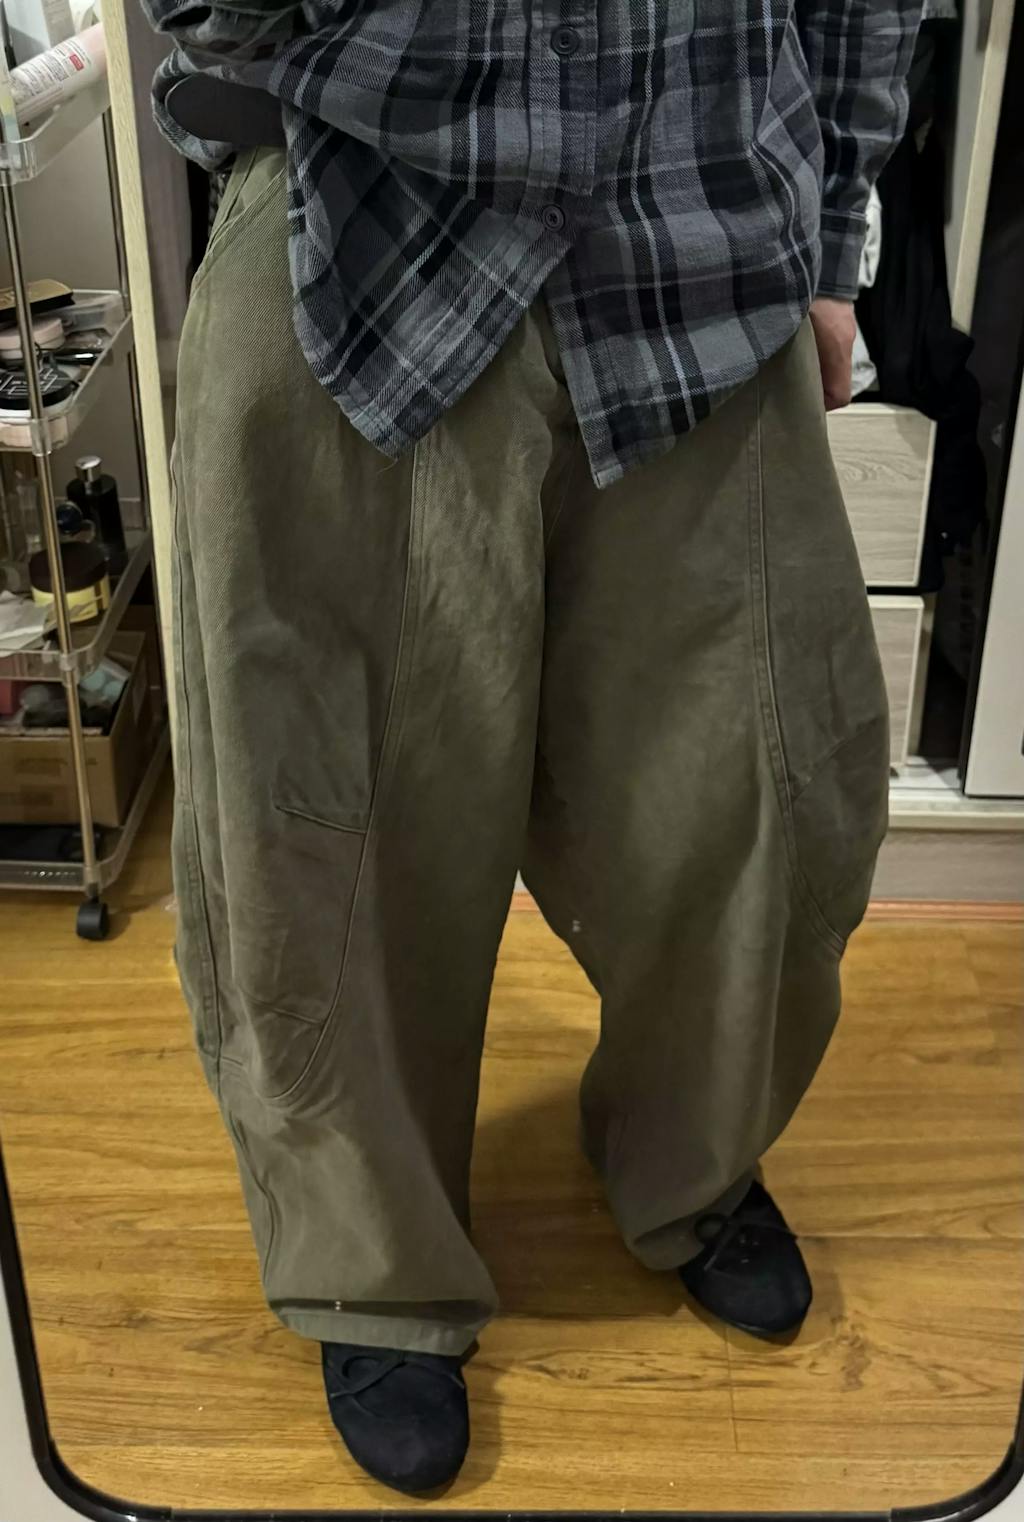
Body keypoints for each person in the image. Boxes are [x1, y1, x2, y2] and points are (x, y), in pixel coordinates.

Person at [144, 0, 921, 1496]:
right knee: (329, 825)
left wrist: (837, 241)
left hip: (704, 219)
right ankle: (370, 1262)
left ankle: (694, 1158)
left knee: (761, 776)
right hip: (358, 219)